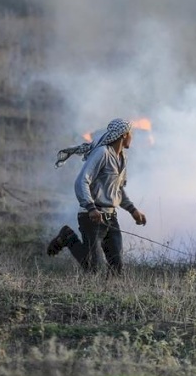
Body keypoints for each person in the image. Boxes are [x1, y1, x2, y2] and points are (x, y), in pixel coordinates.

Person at [47, 118, 147, 275]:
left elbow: (118, 190)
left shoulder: (123, 158)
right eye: (131, 134)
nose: (132, 137)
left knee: (117, 270)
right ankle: (68, 237)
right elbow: (81, 181)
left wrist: (133, 211)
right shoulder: (102, 153)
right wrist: (91, 207)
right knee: (95, 270)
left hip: (110, 218)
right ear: (123, 135)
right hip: (92, 217)